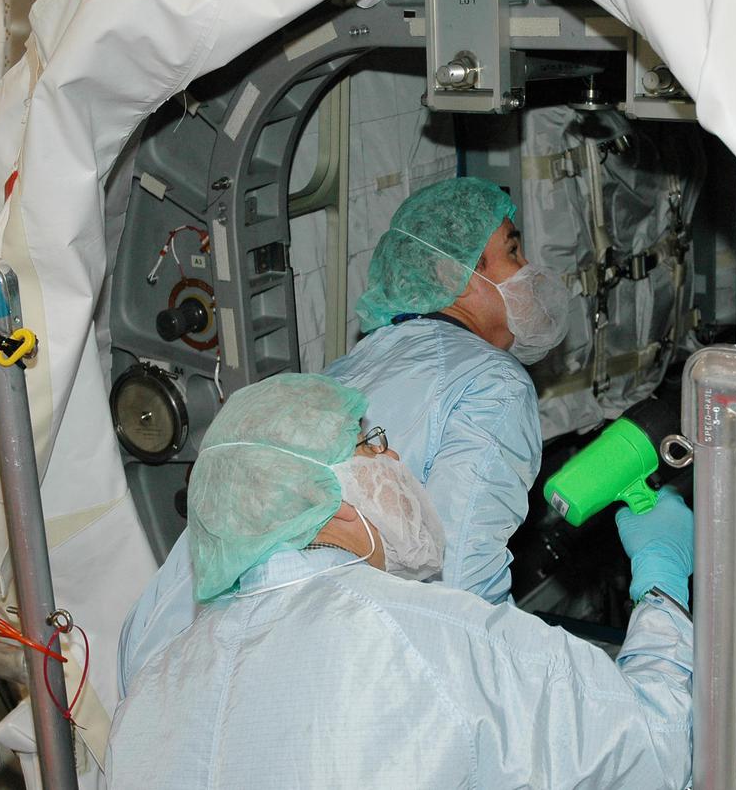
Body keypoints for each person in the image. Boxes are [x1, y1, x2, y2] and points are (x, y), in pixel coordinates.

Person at [106, 373, 694, 789]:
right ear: (322, 494)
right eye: (372, 444)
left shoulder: (154, 687)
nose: (394, 462)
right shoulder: (433, 638)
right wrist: (662, 581)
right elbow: (658, 748)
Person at [118, 177, 571, 694]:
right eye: (513, 251)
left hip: (162, 661)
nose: (528, 270)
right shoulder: (493, 384)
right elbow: (464, 588)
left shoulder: (348, 367)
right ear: (457, 273)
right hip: (265, 685)